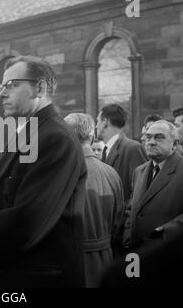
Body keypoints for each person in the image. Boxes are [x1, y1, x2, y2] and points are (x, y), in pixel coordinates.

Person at [0, 55, 87, 287]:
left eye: (12, 85)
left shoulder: (55, 138)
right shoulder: (31, 132)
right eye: (1, 86)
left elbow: (26, 221)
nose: (1, 93)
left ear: (39, 87)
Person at [64, 113, 124, 287]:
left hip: (72, 263)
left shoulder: (61, 173)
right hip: (105, 260)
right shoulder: (111, 173)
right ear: (91, 137)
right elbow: (118, 222)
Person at [123, 120, 183, 250]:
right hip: (137, 253)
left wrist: (163, 231)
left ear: (175, 144)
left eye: (159, 138)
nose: (151, 142)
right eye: (148, 137)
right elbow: (131, 208)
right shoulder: (139, 171)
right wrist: (127, 238)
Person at [96, 104, 148, 202]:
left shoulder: (132, 148)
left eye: (98, 121)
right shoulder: (106, 150)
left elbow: (140, 191)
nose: (96, 125)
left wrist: (126, 215)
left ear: (105, 122)